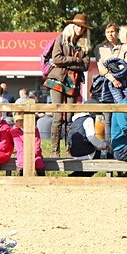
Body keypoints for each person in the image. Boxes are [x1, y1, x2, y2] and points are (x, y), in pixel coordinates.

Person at [43, 14, 92, 154]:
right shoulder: (61, 38)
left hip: (74, 82)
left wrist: (69, 63)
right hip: (57, 80)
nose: (79, 29)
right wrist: (75, 60)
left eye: (82, 27)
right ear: (72, 25)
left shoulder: (85, 44)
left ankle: (70, 148)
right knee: (58, 115)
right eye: (77, 26)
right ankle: (54, 150)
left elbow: (86, 66)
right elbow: (56, 59)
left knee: (70, 117)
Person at [94, 21, 127, 104]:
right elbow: (101, 70)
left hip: (122, 85)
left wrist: (110, 69)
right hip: (105, 85)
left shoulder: (126, 47)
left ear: (117, 32)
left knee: (122, 111)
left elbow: (126, 67)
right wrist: (113, 80)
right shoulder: (99, 48)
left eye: (112, 31)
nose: (110, 34)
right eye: (107, 32)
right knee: (106, 114)